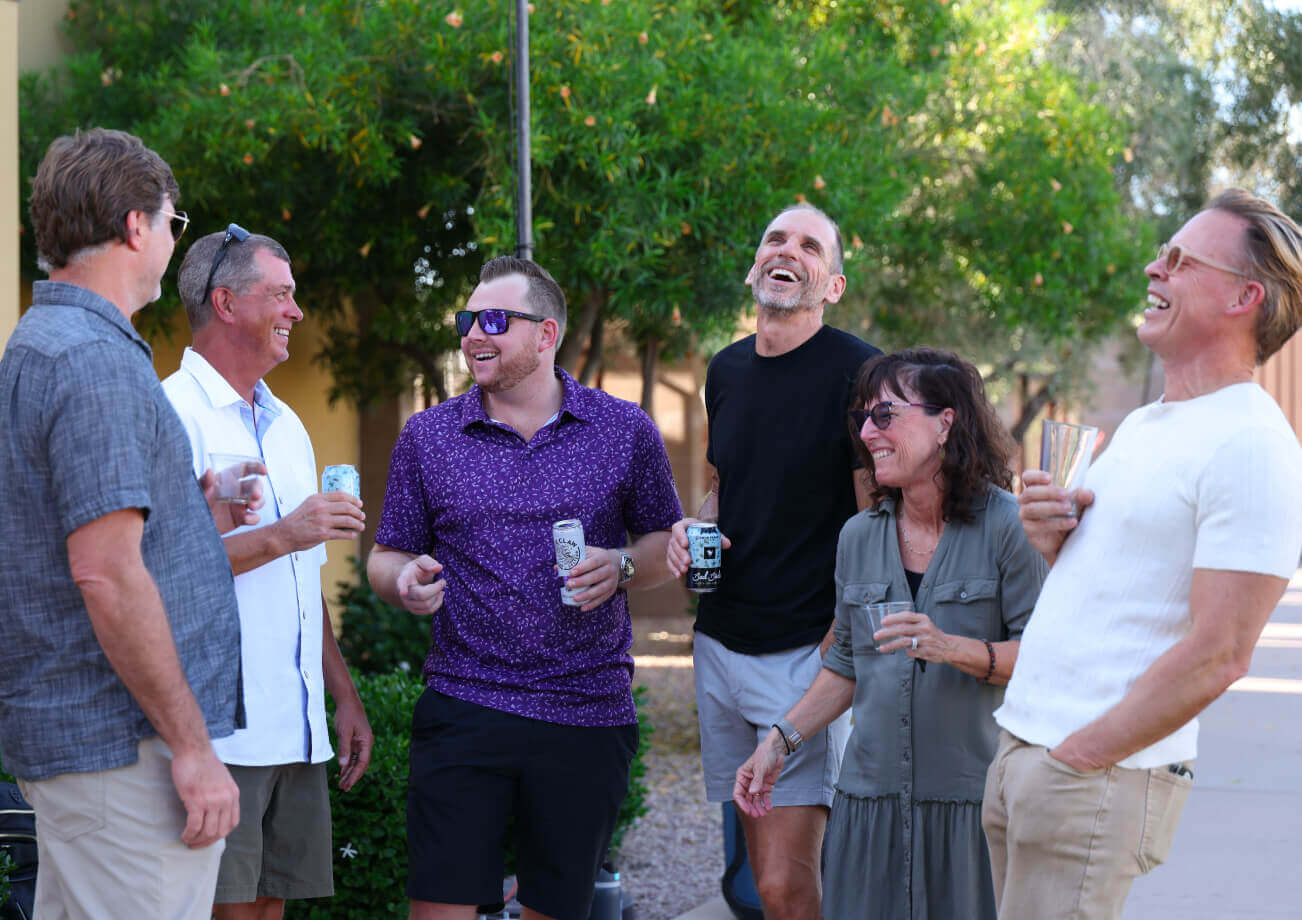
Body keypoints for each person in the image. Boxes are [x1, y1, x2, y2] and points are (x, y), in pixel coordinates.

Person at [984, 189, 1302, 920]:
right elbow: (1110, 589)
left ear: (1244, 297)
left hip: (1090, 772)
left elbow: (1220, 652)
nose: (1154, 267)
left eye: (1180, 259)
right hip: (1025, 748)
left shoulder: (1253, 445)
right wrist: (1049, 536)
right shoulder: (1146, 424)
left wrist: (1082, 755)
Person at [367, 255, 682, 920]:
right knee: (440, 910)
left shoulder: (624, 431)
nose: (472, 335)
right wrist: (403, 580)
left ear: (546, 334)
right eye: (465, 321)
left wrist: (621, 565)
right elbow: (386, 554)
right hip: (464, 702)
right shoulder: (429, 436)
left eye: (493, 321)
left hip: (586, 711)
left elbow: (662, 542)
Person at [0, 128, 245, 918]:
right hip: (124, 752)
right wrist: (195, 750)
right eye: (174, 221)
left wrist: (185, 516)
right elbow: (106, 573)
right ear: (137, 225)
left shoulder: (54, 342)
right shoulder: (91, 360)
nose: (174, 237)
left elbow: (100, 542)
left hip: (98, 749)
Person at [734, 347, 1048, 919]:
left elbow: (1047, 660)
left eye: (885, 415)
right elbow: (847, 663)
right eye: (863, 419)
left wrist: (954, 649)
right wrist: (778, 742)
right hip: (868, 807)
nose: (869, 433)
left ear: (945, 421)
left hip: (970, 809)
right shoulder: (857, 536)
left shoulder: (1009, 527)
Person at [666, 203, 880, 919]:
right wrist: (695, 529)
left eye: (811, 245)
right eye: (775, 239)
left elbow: (873, 517)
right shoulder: (725, 369)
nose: (788, 251)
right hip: (720, 642)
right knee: (755, 879)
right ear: (756, 262)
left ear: (834, 284)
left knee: (789, 885)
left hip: (802, 651)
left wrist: (840, 640)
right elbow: (723, 485)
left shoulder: (859, 373)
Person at [163, 226, 374, 919]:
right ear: (226, 304)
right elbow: (160, 575)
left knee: (268, 910)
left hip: (294, 726)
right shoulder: (172, 414)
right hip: (220, 733)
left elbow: (298, 585)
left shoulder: (287, 426)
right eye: (281, 295)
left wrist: (340, 695)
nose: (297, 311)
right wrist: (285, 532)